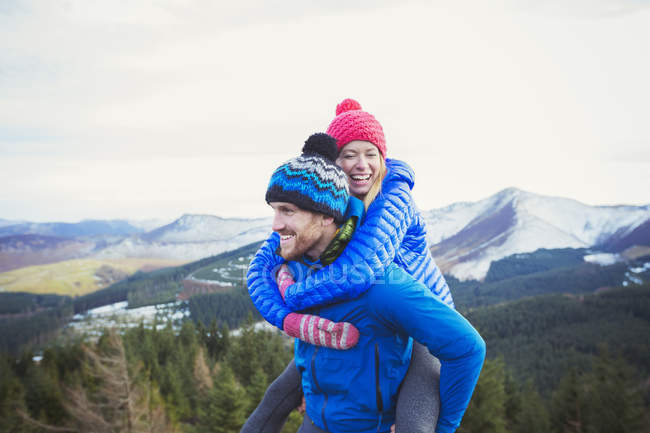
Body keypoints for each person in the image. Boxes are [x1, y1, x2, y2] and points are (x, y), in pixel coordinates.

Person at [245, 133, 484, 433]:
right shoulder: (296, 268)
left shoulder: (381, 285)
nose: (275, 225)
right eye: (275, 210)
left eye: (287, 211)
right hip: (316, 422)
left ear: (326, 217)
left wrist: (443, 426)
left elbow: (467, 348)